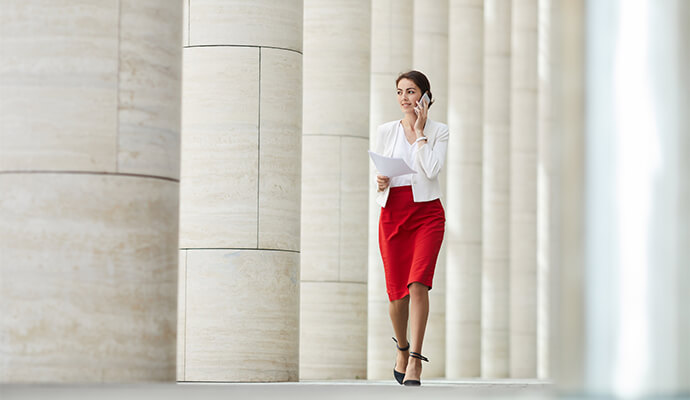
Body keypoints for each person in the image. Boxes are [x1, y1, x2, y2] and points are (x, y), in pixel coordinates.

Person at [372, 70, 448, 387]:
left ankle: (415, 359)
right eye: (400, 92)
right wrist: (380, 182)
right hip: (393, 214)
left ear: (425, 97)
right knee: (396, 295)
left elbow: (430, 169)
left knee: (418, 283)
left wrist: (419, 132)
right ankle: (401, 348)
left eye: (412, 91)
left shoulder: (439, 131)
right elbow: (378, 176)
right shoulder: (385, 131)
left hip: (427, 214)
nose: (405, 98)